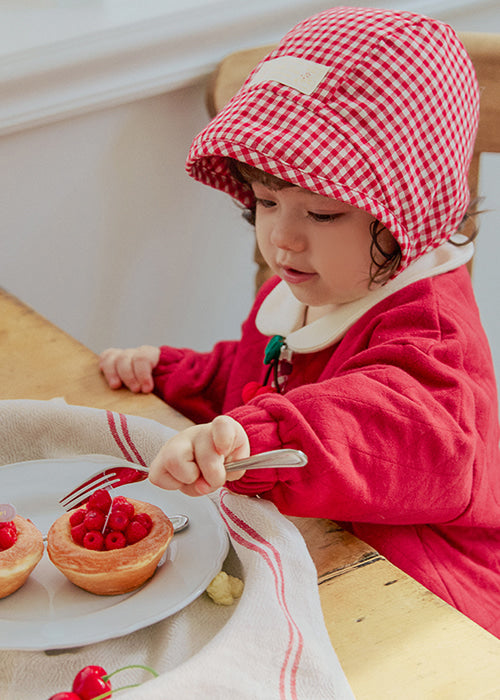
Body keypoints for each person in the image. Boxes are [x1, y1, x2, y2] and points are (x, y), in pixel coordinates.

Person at [99, 7, 500, 637]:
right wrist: (178, 373)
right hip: (302, 548)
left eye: (320, 214)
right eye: (265, 201)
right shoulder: (318, 286)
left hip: (421, 594)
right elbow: (259, 378)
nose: (281, 239)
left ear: (406, 216)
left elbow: (375, 424)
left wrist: (256, 439)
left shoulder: (432, 332)